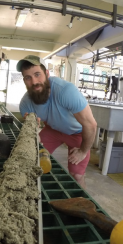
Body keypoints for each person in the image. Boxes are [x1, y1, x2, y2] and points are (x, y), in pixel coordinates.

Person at [18, 55, 97, 188]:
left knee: (76, 175)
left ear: (47, 74)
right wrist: (32, 129)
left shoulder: (65, 91)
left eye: (37, 74)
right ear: (24, 80)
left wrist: (83, 151)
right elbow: (30, 133)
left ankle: (80, 203)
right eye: (28, 77)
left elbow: (90, 125)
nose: (34, 81)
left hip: (77, 133)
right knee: (31, 160)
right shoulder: (26, 104)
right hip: (53, 130)